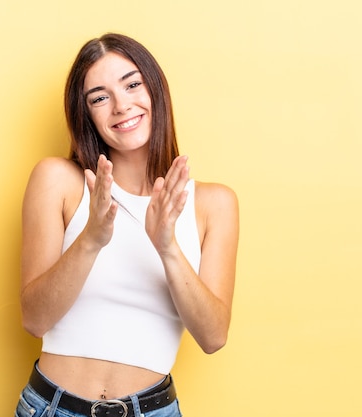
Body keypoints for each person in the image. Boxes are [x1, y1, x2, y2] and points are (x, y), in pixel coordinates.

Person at [15, 33, 239, 417]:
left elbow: (213, 336)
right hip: (54, 408)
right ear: (86, 114)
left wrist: (167, 246)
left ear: (155, 90)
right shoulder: (59, 181)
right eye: (99, 97)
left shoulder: (212, 204)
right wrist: (91, 239)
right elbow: (34, 320)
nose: (121, 106)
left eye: (132, 84)